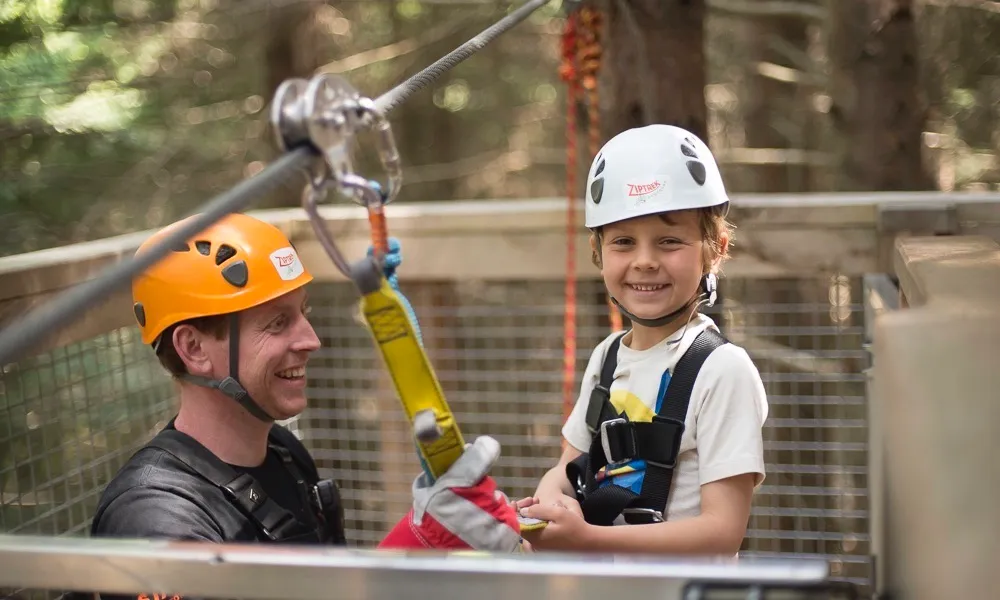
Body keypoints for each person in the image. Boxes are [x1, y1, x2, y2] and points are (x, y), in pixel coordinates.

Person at [90, 213, 521, 572]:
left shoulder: (282, 452)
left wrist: (432, 544)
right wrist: (423, 540)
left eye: (303, 314)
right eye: (278, 323)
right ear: (194, 348)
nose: (311, 340)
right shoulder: (156, 519)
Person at [518, 124, 769, 556]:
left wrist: (589, 539)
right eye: (623, 242)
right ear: (598, 253)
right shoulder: (607, 358)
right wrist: (548, 507)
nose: (645, 261)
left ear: (716, 249)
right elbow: (570, 468)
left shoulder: (722, 370)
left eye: (669, 241)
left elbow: (722, 530)